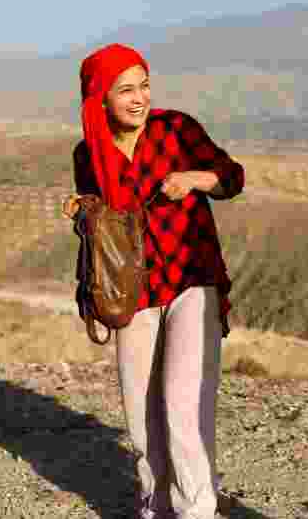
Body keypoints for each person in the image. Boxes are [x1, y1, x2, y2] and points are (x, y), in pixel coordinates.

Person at [63, 44, 244, 519]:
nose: (139, 97)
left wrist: (194, 178)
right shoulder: (89, 152)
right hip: (132, 290)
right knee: (141, 411)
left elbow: (232, 177)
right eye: (125, 89)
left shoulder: (176, 130)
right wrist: (83, 209)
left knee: (183, 405)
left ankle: (197, 509)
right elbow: (101, 216)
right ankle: (156, 506)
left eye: (144, 85)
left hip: (191, 278)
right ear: (99, 98)